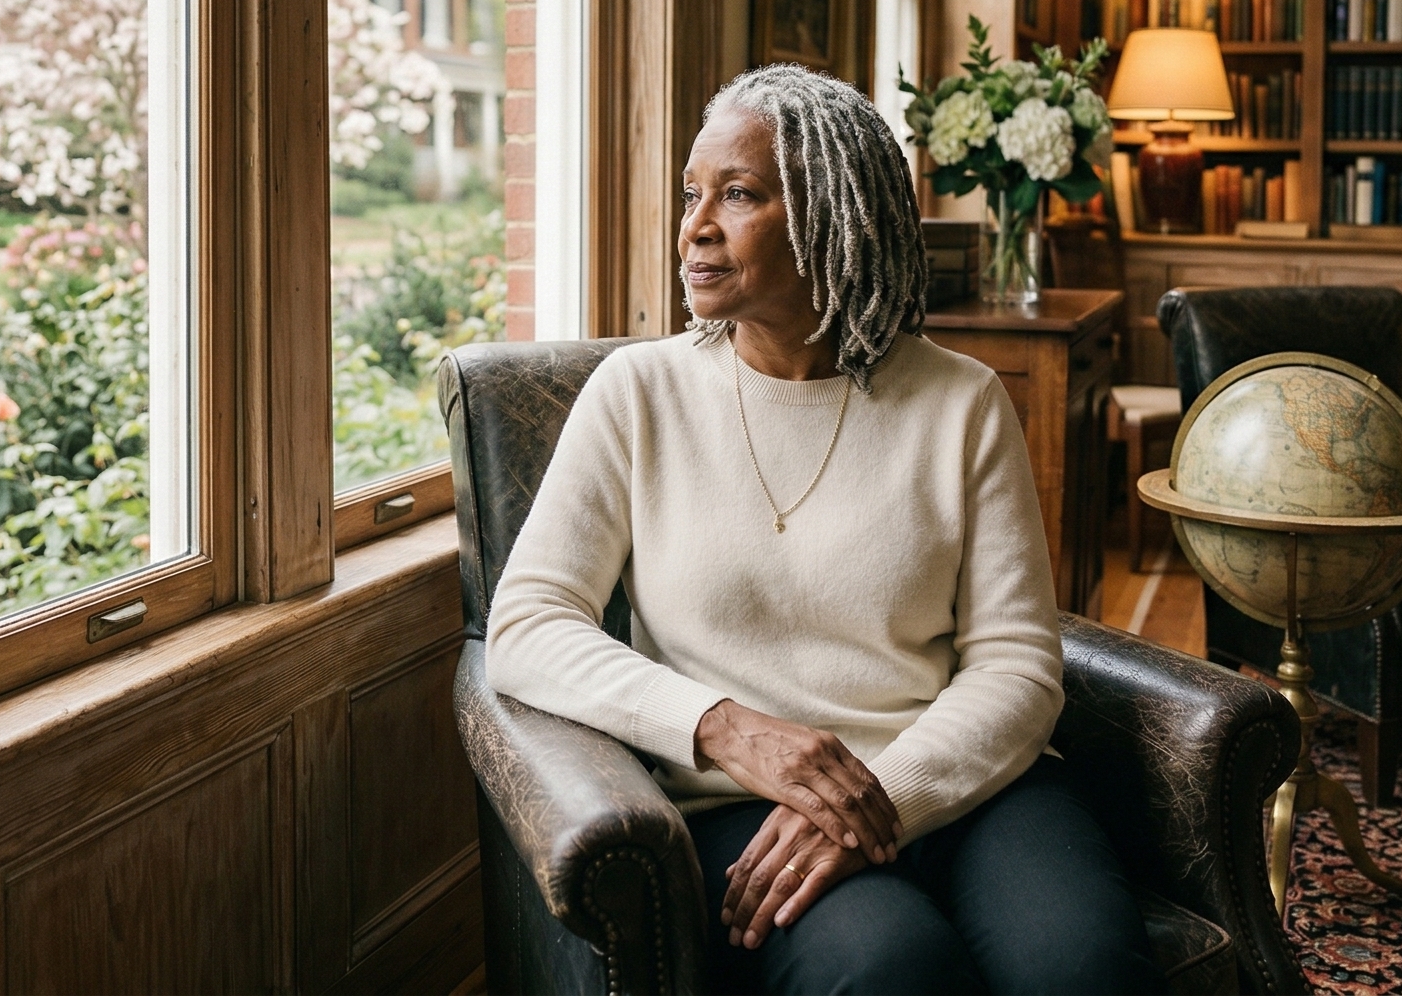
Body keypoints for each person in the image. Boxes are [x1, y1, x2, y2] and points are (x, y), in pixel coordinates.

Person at [485, 65, 1160, 995]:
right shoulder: (638, 396)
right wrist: (725, 729)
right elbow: (524, 629)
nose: (697, 226)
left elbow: (1016, 666)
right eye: (692, 194)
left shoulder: (960, 401)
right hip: (747, 806)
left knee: (1083, 968)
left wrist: (884, 796)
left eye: (739, 194)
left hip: (965, 788)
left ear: (836, 214)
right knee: (887, 969)